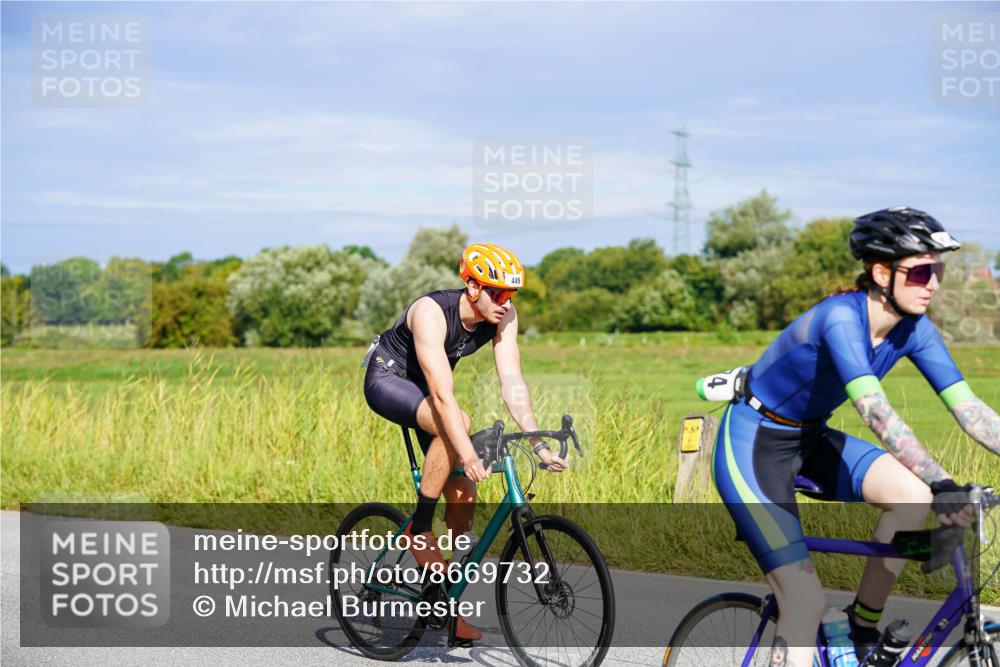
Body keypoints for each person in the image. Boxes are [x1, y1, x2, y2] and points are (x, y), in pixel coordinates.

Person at [711, 207, 1000, 667]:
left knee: (911, 496)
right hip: (752, 444)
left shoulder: (915, 331)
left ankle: (863, 628)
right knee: (803, 603)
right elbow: (876, 412)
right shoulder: (840, 319)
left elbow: (971, 411)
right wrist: (945, 481)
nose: (934, 285)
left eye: (938, 271)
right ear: (882, 272)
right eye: (922, 271)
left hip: (808, 439)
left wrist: (934, 487)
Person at [363, 242, 567, 643]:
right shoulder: (431, 312)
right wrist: (470, 451)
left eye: (512, 295)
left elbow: (512, 382)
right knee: (459, 422)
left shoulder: (502, 316)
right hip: (389, 379)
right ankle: (419, 527)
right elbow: (442, 397)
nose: (505, 303)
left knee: (464, 495)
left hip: (431, 392)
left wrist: (538, 443)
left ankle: (443, 601)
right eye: (497, 293)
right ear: (472, 287)